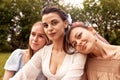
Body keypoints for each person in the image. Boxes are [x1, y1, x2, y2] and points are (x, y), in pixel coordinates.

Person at [9, 6, 87, 80]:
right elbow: (24, 74)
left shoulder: (77, 52)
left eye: (54, 23)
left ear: (65, 23)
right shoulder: (44, 51)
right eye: (46, 25)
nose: (49, 28)